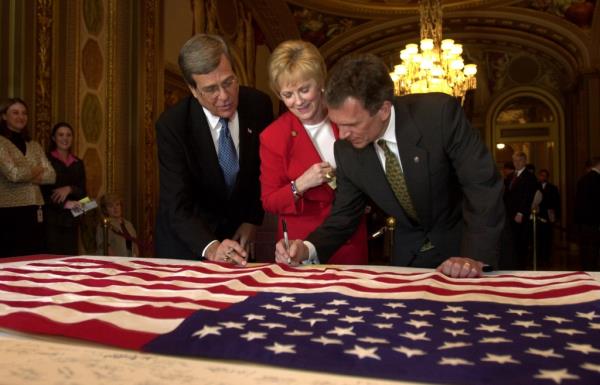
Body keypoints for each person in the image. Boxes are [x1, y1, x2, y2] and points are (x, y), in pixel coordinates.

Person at [275, 54, 505, 278]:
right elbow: (344, 216)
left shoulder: (439, 115)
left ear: (383, 110)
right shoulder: (346, 150)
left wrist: (473, 256)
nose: (342, 135)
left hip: (466, 248)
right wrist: (307, 248)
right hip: (409, 262)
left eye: (352, 124)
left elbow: (482, 186)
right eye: (338, 124)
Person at [154, 34, 273, 264]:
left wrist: (252, 220)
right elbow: (176, 204)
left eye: (229, 82)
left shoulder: (259, 105)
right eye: (211, 89)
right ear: (193, 89)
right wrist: (211, 248)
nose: (225, 96)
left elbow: (262, 172)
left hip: (238, 242)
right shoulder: (173, 126)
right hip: (188, 245)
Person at [259, 40, 368, 265]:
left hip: (349, 242)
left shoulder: (347, 116)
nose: (298, 101)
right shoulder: (273, 136)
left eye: (304, 89)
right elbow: (269, 201)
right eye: (287, 94)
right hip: (298, 249)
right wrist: (300, 184)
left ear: (320, 82)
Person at [0, 98, 56, 257]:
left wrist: (26, 173)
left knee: (36, 258)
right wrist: (38, 170)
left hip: (38, 209)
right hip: (10, 211)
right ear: (4, 116)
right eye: (15, 112)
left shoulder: (34, 145)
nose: (21, 116)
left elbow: (51, 176)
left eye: (24, 113)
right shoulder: (1, 142)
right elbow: (13, 174)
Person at [41, 122, 87, 255]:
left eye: (68, 135)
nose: (65, 138)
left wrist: (70, 189)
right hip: (50, 221)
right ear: (54, 138)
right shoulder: (46, 160)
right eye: (61, 135)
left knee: (71, 264)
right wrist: (66, 204)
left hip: (72, 221)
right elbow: (42, 194)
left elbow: (85, 196)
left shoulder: (78, 163)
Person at [502, 151, 538, 269]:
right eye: (514, 161)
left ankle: (521, 267)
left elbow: (528, 196)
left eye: (519, 160)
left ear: (525, 161)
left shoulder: (529, 176)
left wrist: (521, 212)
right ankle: (512, 265)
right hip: (509, 214)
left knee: (521, 241)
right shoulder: (511, 176)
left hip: (520, 214)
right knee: (511, 241)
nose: (516, 163)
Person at [574, 157, 600, 270]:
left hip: (583, 220)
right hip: (596, 220)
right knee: (594, 249)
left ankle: (585, 271)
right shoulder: (598, 179)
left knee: (585, 248)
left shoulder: (582, 179)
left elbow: (578, 201)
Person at [96, 193, 139, 257]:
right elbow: (106, 248)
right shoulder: (104, 225)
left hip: (130, 261)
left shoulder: (128, 224)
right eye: (111, 206)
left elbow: (135, 245)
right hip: (114, 263)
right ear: (105, 210)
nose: (115, 208)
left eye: (117, 204)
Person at [535, 168, 560, 267]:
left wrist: (556, 217)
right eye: (541, 175)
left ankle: (546, 257)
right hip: (537, 215)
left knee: (548, 238)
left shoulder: (553, 188)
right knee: (538, 238)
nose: (543, 177)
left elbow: (557, 203)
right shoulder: (535, 186)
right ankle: (538, 256)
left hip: (548, 216)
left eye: (545, 176)